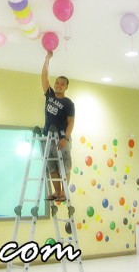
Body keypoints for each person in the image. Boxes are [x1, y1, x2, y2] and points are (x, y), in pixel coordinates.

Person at [41, 51, 75, 202]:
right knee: (52, 167)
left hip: (62, 138)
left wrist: (66, 138)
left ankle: (64, 192)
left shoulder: (68, 103)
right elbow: (43, 77)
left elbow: (71, 122)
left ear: (66, 87)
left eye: (62, 84)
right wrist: (47, 59)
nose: (59, 86)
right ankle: (57, 191)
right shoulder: (49, 95)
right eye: (57, 83)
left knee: (64, 166)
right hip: (48, 137)